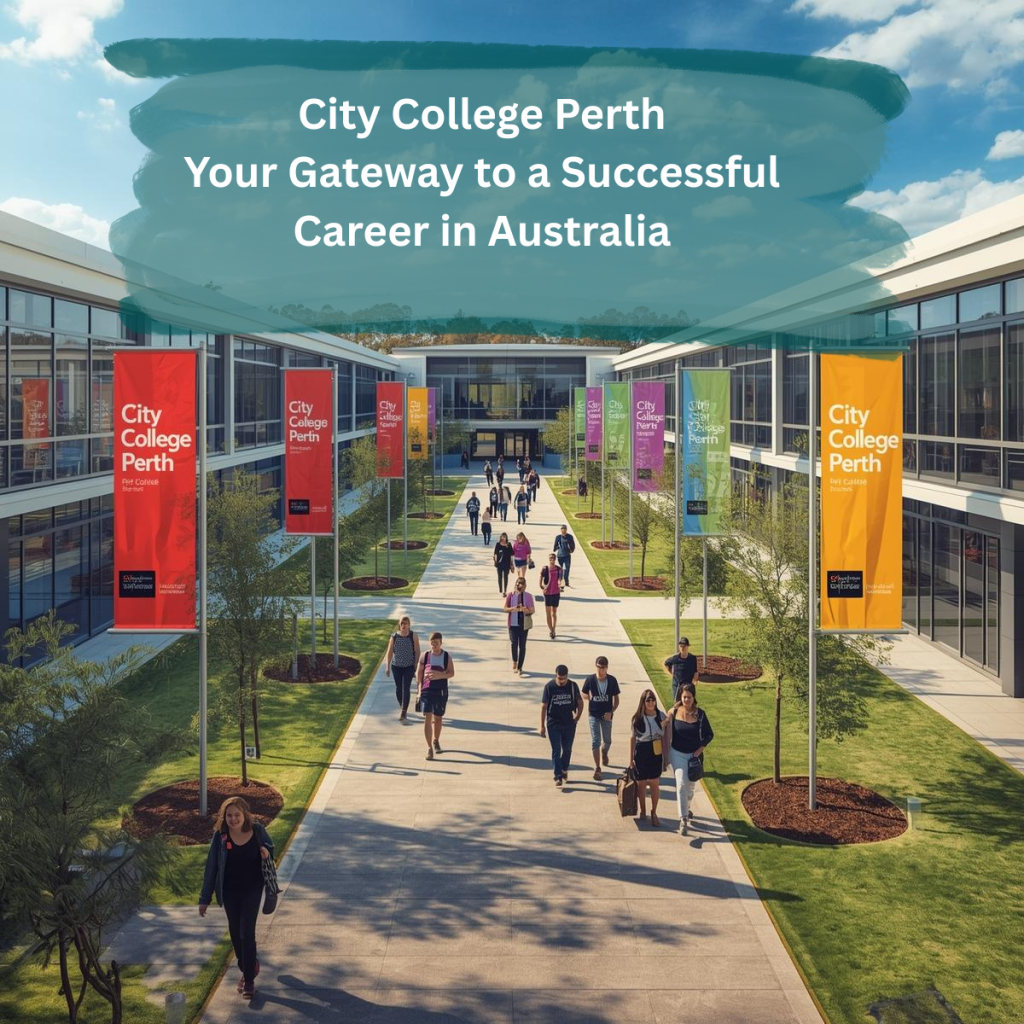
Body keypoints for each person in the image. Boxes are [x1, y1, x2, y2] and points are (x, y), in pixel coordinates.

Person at [199, 796, 273, 1001]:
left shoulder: (257, 830)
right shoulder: (220, 837)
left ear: (245, 814)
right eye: (229, 815)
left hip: (252, 889)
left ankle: (248, 980)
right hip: (230, 891)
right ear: (224, 817)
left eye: (237, 815)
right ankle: (248, 965)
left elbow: (270, 847)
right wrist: (204, 898)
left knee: (246, 932)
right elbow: (211, 867)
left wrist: (267, 852)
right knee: (235, 932)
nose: (233, 819)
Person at [664, 682, 714, 836]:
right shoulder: (673, 712)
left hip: (694, 756)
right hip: (677, 753)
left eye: (689, 697)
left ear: (694, 698)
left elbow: (709, 735)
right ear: (681, 697)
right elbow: (664, 727)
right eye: (684, 697)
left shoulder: (701, 714)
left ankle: (687, 808)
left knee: (690, 789)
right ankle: (683, 818)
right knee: (680, 784)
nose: (686, 700)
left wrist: (699, 750)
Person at [540, 664, 583, 787]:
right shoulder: (549, 687)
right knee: (556, 749)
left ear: (567, 676)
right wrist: (542, 726)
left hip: (569, 723)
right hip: (553, 723)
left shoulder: (573, 686)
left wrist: (578, 716)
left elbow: (580, 702)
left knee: (567, 748)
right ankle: (557, 775)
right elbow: (543, 706)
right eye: (559, 678)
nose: (562, 681)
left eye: (564, 678)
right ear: (556, 676)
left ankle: (564, 769)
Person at [630, 689, 666, 826]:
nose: (651, 703)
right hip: (642, 750)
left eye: (653, 700)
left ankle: (654, 811)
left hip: (655, 750)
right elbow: (633, 739)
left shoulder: (661, 716)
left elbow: (665, 737)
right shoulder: (637, 719)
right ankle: (643, 810)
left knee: (655, 783)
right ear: (643, 702)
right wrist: (630, 760)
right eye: (648, 700)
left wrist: (666, 757)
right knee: (642, 783)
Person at [416, 632, 455, 760]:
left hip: (441, 691)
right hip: (427, 690)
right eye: (432, 643)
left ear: (441, 643)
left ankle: (436, 740)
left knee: (438, 718)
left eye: (436, 643)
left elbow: (451, 673)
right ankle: (429, 748)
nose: (434, 645)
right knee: (428, 717)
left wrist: (440, 675)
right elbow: (419, 674)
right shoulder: (425, 656)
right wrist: (419, 690)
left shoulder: (446, 656)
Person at [582, 655, 620, 780]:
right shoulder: (590, 680)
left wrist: (612, 711)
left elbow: (616, 700)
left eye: (603, 668)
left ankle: (604, 752)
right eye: (598, 667)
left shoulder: (612, 681)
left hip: (607, 715)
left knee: (607, 740)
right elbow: (583, 693)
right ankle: (598, 768)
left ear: (607, 668)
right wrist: (589, 697)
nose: (600, 670)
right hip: (593, 714)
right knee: (595, 741)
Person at [384, 615, 421, 720]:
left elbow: (417, 651)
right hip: (396, 667)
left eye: (406, 623)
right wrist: (387, 667)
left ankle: (404, 711)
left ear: (409, 625)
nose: (404, 625)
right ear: (399, 625)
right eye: (402, 623)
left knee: (406, 688)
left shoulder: (413, 636)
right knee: (398, 689)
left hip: (409, 667)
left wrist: (416, 663)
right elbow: (389, 653)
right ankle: (402, 706)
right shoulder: (394, 637)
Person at [504, 576, 535, 675]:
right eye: (517, 583)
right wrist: (514, 608)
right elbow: (505, 609)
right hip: (513, 624)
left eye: (521, 583)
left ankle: (520, 667)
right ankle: (514, 661)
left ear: (525, 586)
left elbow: (532, 610)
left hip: (524, 624)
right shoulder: (511, 595)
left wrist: (524, 609)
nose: (519, 585)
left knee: (522, 646)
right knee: (514, 644)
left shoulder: (528, 596)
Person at [664, 637, 700, 703]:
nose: (682, 648)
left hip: (688, 686)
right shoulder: (675, 658)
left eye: (684, 646)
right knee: (677, 704)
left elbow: (695, 671)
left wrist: (694, 681)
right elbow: (666, 663)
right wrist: (671, 672)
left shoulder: (692, 658)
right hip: (677, 685)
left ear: (688, 647)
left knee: (690, 704)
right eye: (681, 646)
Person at [539, 553, 564, 639]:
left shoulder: (559, 569)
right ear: (548, 559)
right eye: (550, 558)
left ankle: (554, 628)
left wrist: (559, 582)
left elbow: (560, 579)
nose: (551, 560)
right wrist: (542, 587)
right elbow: (540, 580)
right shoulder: (545, 569)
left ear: (555, 559)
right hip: (547, 594)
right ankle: (551, 630)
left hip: (556, 593)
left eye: (553, 558)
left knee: (554, 613)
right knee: (548, 613)